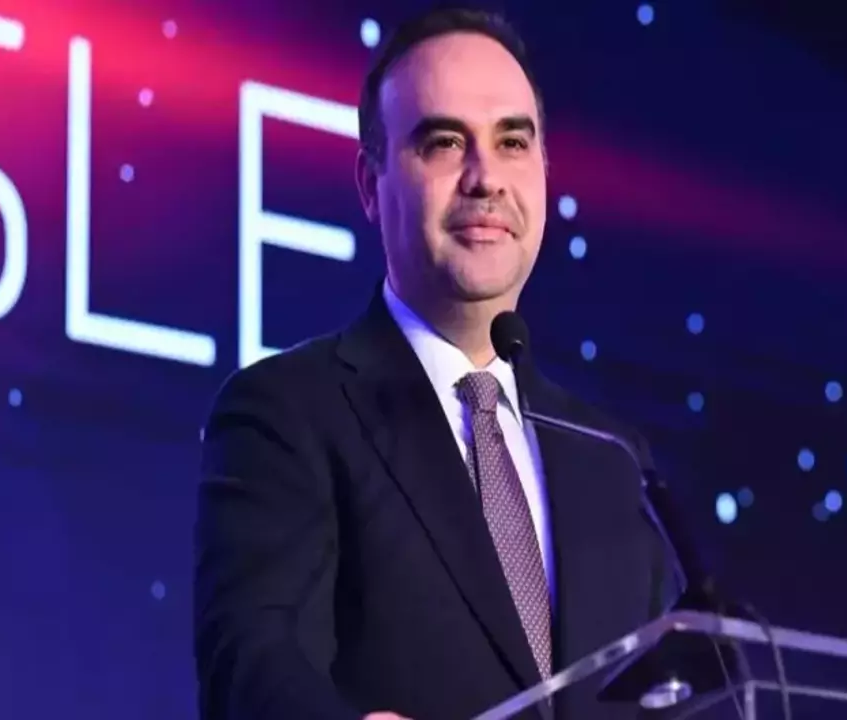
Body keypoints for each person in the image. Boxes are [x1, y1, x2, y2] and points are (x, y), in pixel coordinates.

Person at [193, 7, 677, 719]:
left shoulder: (610, 458)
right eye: (445, 142)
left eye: (512, 142)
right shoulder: (287, 413)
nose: (486, 178)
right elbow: (250, 659)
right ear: (370, 184)